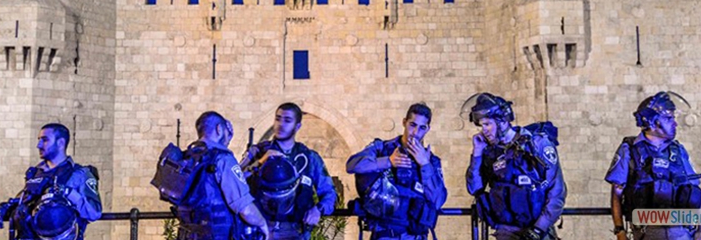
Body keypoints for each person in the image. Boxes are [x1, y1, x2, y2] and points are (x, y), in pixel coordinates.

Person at [605, 91, 701, 240]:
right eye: (668, 118)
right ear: (653, 122)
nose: (675, 123)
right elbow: (616, 193)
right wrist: (620, 231)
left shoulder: (678, 150)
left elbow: (694, 189)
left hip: (681, 232)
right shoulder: (629, 149)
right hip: (646, 232)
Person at [464, 93, 565, 240]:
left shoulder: (536, 144)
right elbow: (474, 188)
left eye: (487, 124)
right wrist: (477, 154)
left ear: (503, 121)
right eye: (481, 125)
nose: (483, 130)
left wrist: (538, 229)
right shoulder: (491, 152)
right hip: (505, 232)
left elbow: (557, 191)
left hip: (538, 232)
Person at [346, 103, 447, 240]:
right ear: (404, 122)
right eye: (412, 125)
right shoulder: (382, 148)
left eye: (422, 128)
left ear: (428, 129)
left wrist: (424, 164)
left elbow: (438, 200)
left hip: (415, 235)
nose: (416, 132)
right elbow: (352, 165)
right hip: (385, 233)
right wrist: (388, 161)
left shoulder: (431, 161)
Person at [161, 111, 269, 240]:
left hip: (187, 234)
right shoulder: (223, 159)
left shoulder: (188, 158)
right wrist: (263, 224)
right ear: (219, 129)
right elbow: (245, 209)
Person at [240, 103, 337, 240]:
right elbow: (235, 183)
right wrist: (260, 161)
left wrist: (318, 209)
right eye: (278, 118)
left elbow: (330, 193)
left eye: (287, 120)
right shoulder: (258, 152)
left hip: (296, 231)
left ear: (297, 126)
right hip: (262, 229)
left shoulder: (309, 158)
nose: (280, 124)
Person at [0, 123, 102, 239]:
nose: (38, 145)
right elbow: (22, 203)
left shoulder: (79, 174)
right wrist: (6, 208)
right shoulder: (34, 174)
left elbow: (94, 212)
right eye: (39, 140)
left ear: (60, 143)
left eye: (44, 140)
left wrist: (68, 193)